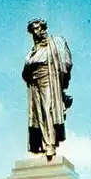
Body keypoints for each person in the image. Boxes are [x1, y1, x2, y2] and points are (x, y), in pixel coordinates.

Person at [22, 18, 73, 158]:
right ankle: (41, 145)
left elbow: (66, 61)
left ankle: (50, 144)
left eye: (38, 28)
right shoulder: (33, 50)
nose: (36, 32)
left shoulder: (55, 42)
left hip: (49, 78)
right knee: (37, 114)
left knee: (48, 109)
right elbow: (26, 69)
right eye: (33, 30)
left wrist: (62, 83)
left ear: (43, 28)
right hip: (34, 82)